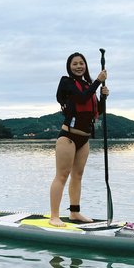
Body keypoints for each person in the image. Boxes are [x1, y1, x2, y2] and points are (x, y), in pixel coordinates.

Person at [49, 52, 109, 227]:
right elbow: (81, 97)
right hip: (68, 137)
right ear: (69, 67)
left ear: (85, 65)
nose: (78, 66)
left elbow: (97, 111)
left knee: (78, 176)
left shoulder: (88, 85)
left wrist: (103, 97)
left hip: (84, 138)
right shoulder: (66, 82)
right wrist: (98, 81)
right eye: (74, 64)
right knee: (62, 176)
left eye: (81, 63)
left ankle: (75, 212)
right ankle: (54, 216)